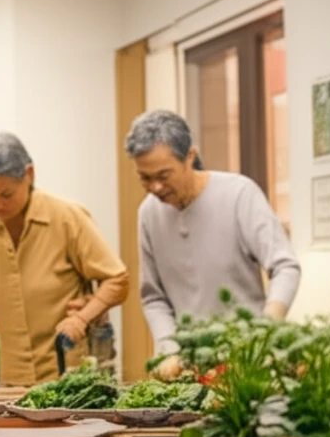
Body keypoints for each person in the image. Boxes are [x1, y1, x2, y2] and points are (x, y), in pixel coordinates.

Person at [124, 109, 301, 356]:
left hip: (249, 356)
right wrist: (168, 347)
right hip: (187, 362)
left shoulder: (239, 195)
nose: (155, 187)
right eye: (145, 178)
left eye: (164, 175)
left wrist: (268, 326)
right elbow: (154, 297)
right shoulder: (148, 213)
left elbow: (285, 267)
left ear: (189, 156)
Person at [0, 132, 129, 385]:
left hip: (70, 376)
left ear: (29, 174)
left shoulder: (67, 217)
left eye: (6, 195)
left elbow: (117, 279)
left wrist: (82, 317)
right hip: (12, 381)